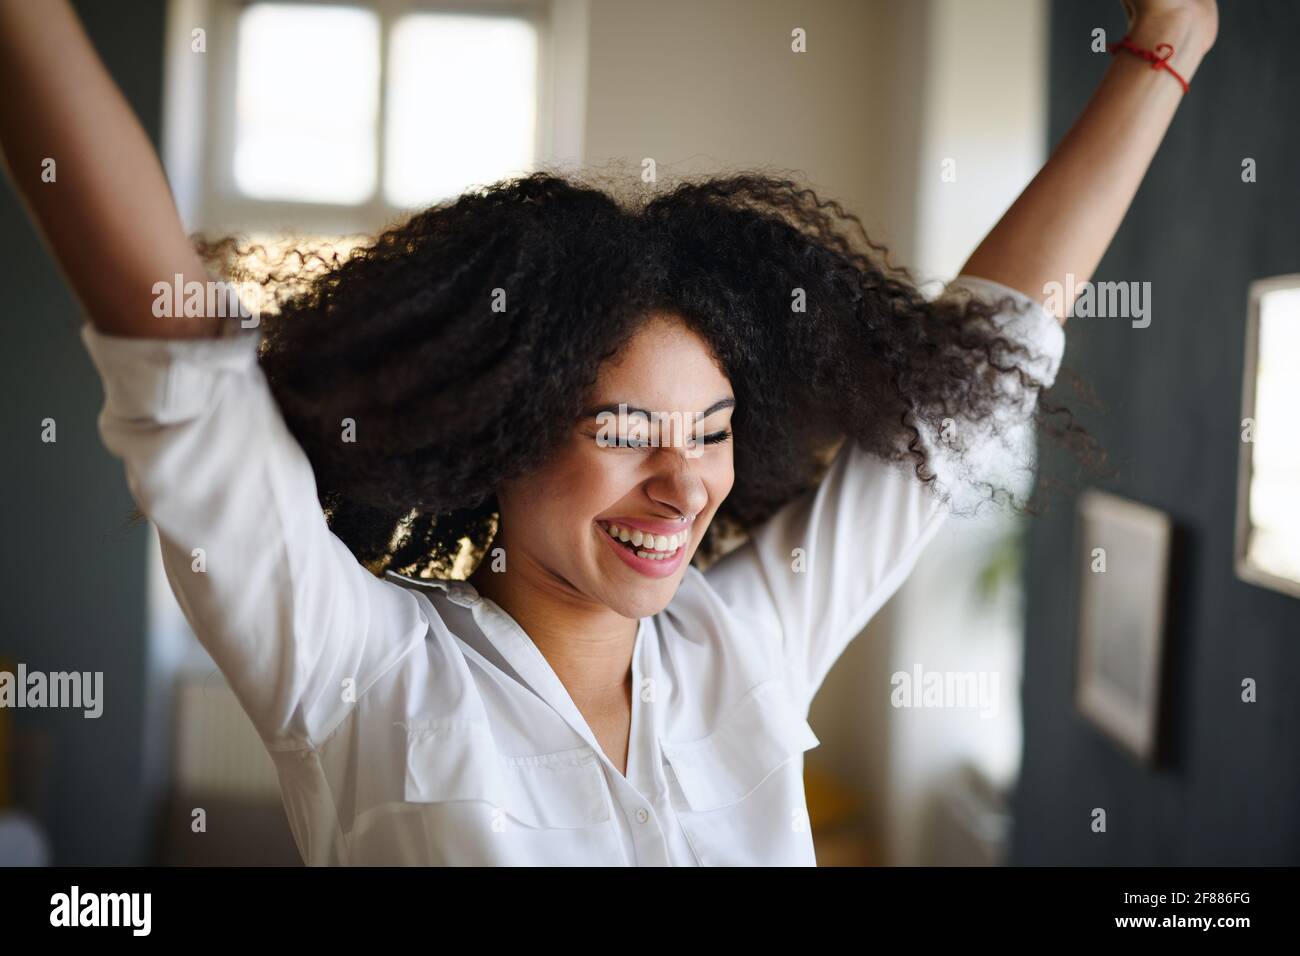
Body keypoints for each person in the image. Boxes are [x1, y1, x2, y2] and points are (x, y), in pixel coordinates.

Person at [0, 0, 1217, 865]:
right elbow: (177, 363)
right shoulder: (354, 670)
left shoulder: (748, 641)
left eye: (715, 428)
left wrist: (1169, 43)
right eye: (630, 428)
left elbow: (976, 373)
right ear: (507, 429)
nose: (684, 483)